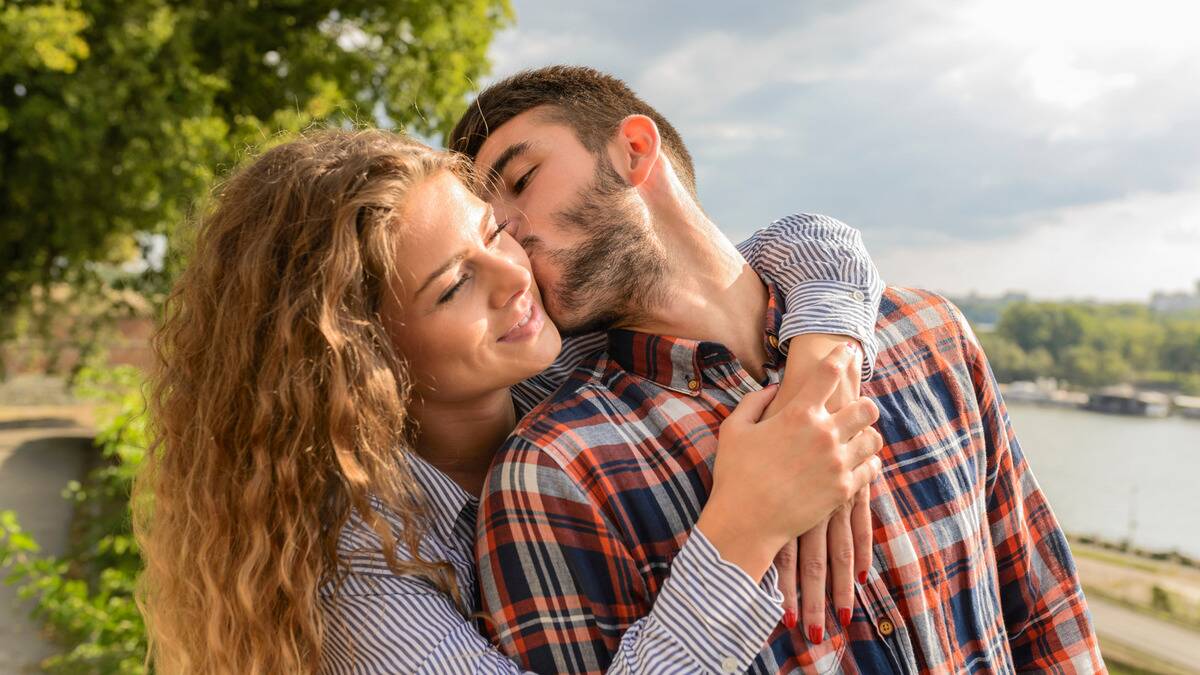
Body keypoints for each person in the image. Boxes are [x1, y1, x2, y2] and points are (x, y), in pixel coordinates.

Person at [134, 128, 889, 673]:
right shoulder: (359, 573)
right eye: (455, 285)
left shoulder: (563, 359)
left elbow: (799, 246)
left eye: (495, 230)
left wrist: (820, 373)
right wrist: (742, 529)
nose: (513, 275)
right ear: (361, 358)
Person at [451, 66, 1105, 673]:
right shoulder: (552, 473)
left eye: (520, 179)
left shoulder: (930, 334)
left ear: (635, 151)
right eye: (489, 228)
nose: (508, 232)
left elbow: (1048, 619)